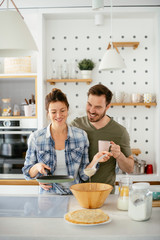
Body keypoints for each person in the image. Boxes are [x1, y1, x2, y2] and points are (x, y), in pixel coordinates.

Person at [22, 88, 112, 194]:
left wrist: (95, 160)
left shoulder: (80, 136)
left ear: (67, 110)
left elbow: (83, 175)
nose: (59, 115)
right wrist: (37, 167)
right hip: (48, 197)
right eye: (54, 112)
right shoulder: (37, 137)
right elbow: (27, 173)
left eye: (62, 110)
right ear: (48, 113)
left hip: (75, 195)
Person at [71, 84, 134, 190]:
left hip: (106, 195)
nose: (91, 110)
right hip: (78, 193)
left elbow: (129, 168)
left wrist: (119, 156)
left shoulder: (120, 132)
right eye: (89, 104)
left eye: (98, 107)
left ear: (107, 107)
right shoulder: (75, 126)